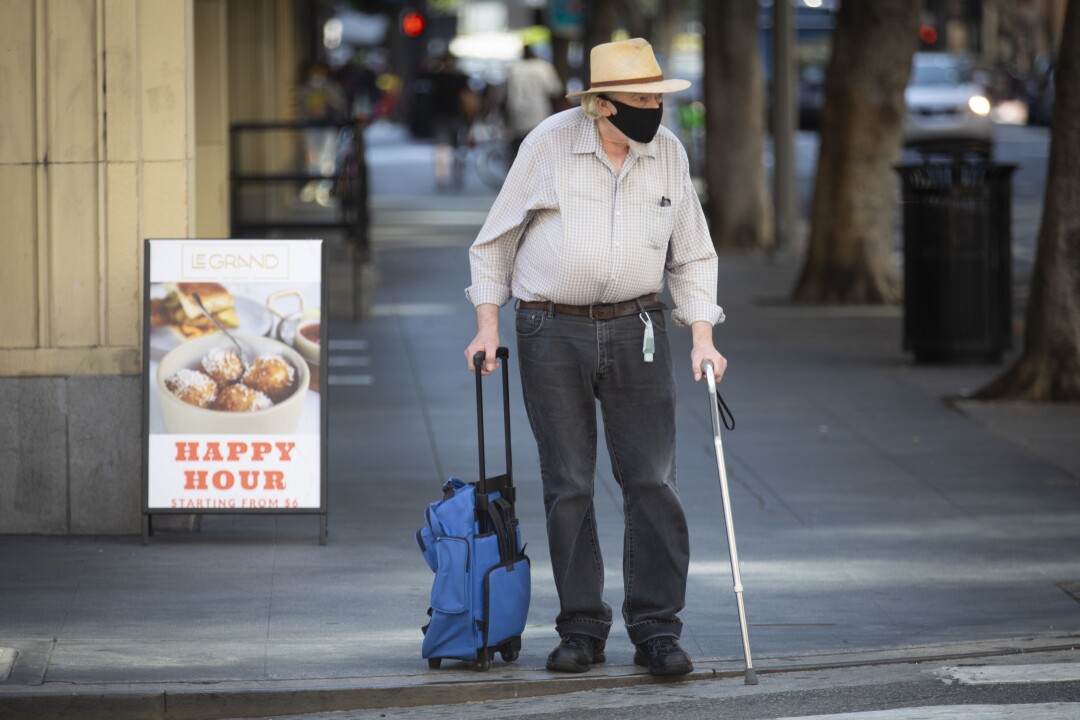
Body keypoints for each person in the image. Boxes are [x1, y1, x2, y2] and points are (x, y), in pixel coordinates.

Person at [463, 38, 727, 677]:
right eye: (640, 100)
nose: (652, 111)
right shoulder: (550, 144)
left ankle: (657, 629)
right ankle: (581, 628)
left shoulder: (667, 154)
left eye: (655, 98)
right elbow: (495, 240)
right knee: (569, 484)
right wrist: (485, 325)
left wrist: (702, 335)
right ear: (601, 106)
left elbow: (692, 252)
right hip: (551, 328)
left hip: (638, 326)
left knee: (652, 480)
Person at [503, 44, 564, 163]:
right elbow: (555, 89)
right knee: (538, 150)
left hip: (517, 115)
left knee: (520, 152)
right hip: (538, 114)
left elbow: (506, 94)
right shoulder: (543, 67)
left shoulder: (513, 69)